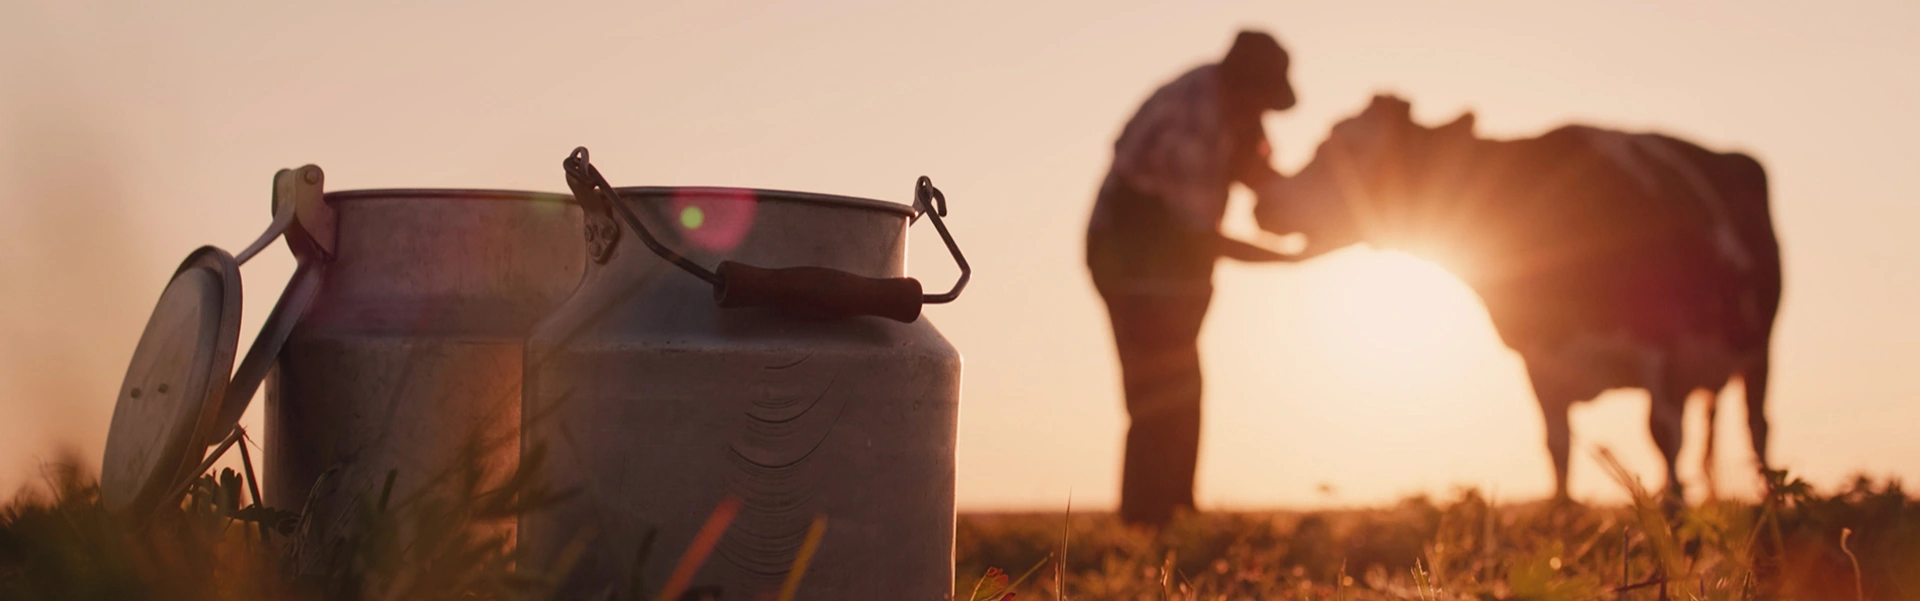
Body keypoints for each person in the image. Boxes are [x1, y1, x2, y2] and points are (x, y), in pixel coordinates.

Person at [1086, 30, 1302, 527]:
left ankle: (1176, 515)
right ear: (1240, 86)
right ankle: (1148, 521)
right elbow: (1200, 238)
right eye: (1260, 100)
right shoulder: (1189, 118)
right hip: (1131, 260)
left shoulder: (1240, 118)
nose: (1262, 114)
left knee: (1182, 384)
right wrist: (1288, 258)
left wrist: (1315, 209)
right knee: (1157, 387)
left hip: (1176, 267)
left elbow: (1266, 181)